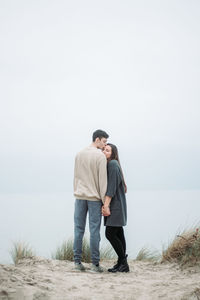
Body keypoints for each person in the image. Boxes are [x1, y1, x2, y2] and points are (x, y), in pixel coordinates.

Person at [73, 129, 109, 272]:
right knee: (94, 231)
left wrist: (76, 191)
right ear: (97, 139)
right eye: (104, 141)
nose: (104, 145)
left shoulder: (79, 154)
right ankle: (95, 264)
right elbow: (102, 181)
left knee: (78, 230)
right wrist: (104, 201)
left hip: (80, 196)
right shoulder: (100, 156)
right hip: (94, 198)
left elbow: (76, 176)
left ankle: (77, 262)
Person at [102, 143, 129, 272]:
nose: (104, 152)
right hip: (118, 204)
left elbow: (111, 188)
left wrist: (106, 205)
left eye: (107, 150)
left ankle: (123, 262)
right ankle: (121, 263)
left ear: (112, 154)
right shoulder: (112, 164)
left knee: (110, 233)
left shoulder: (112, 164)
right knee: (118, 233)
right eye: (103, 149)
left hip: (115, 205)